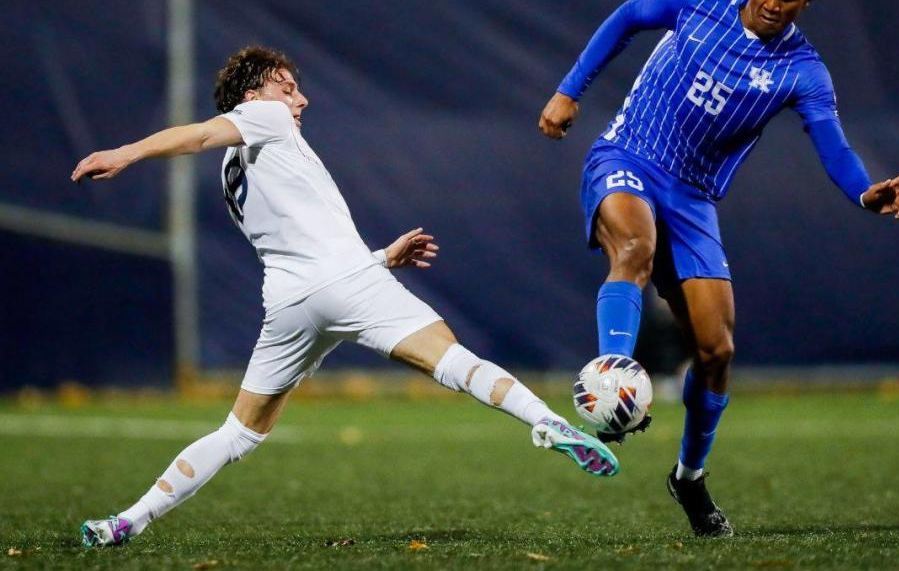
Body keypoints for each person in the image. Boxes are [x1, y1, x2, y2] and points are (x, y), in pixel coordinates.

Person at [73, 46, 619, 547]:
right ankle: (548, 422)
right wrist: (127, 151)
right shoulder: (267, 119)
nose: (299, 97)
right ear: (251, 97)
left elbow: (303, 241)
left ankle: (127, 520)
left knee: (238, 433)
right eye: (285, 86)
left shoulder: (231, 172)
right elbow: (193, 136)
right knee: (454, 359)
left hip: (289, 304)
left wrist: (382, 257)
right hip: (348, 286)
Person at [537, 0, 899, 538]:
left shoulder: (803, 71)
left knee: (716, 352)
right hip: (627, 154)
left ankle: (688, 477)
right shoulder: (695, 0)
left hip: (693, 198)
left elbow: (833, 146)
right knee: (633, 247)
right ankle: (611, 386)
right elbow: (628, 17)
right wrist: (568, 90)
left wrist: (865, 193)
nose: (770, 1)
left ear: (806, 0)